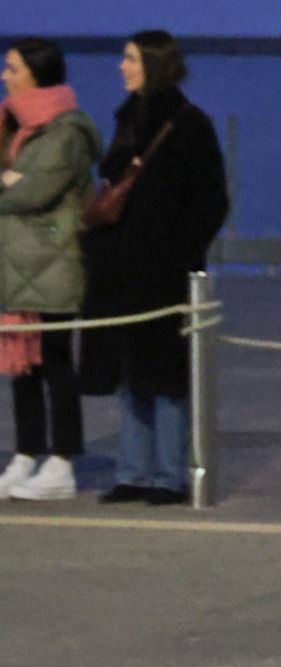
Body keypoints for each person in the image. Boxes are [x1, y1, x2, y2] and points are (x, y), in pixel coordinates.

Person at [78, 31, 228, 506]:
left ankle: (167, 474)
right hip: (123, 268)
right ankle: (134, 471)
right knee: (130, 372)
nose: (121, 66)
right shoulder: (129, 119)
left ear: (154, 63)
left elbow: (211, 200)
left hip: (164, 272)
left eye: (131, 58)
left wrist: (178, 254)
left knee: (166, 376)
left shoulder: (188, 123)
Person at [0, 38, 100, 500]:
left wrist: (11, 181)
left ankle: (62, 459)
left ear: (37, 73)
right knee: (21, 366)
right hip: (16, 266)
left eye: (13, 68)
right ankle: (26, 453)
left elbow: (33, 192)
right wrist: (11, 179)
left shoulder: (66, 131)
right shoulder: (14, 125)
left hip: (55, 264)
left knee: (56, 361)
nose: (5, 76)